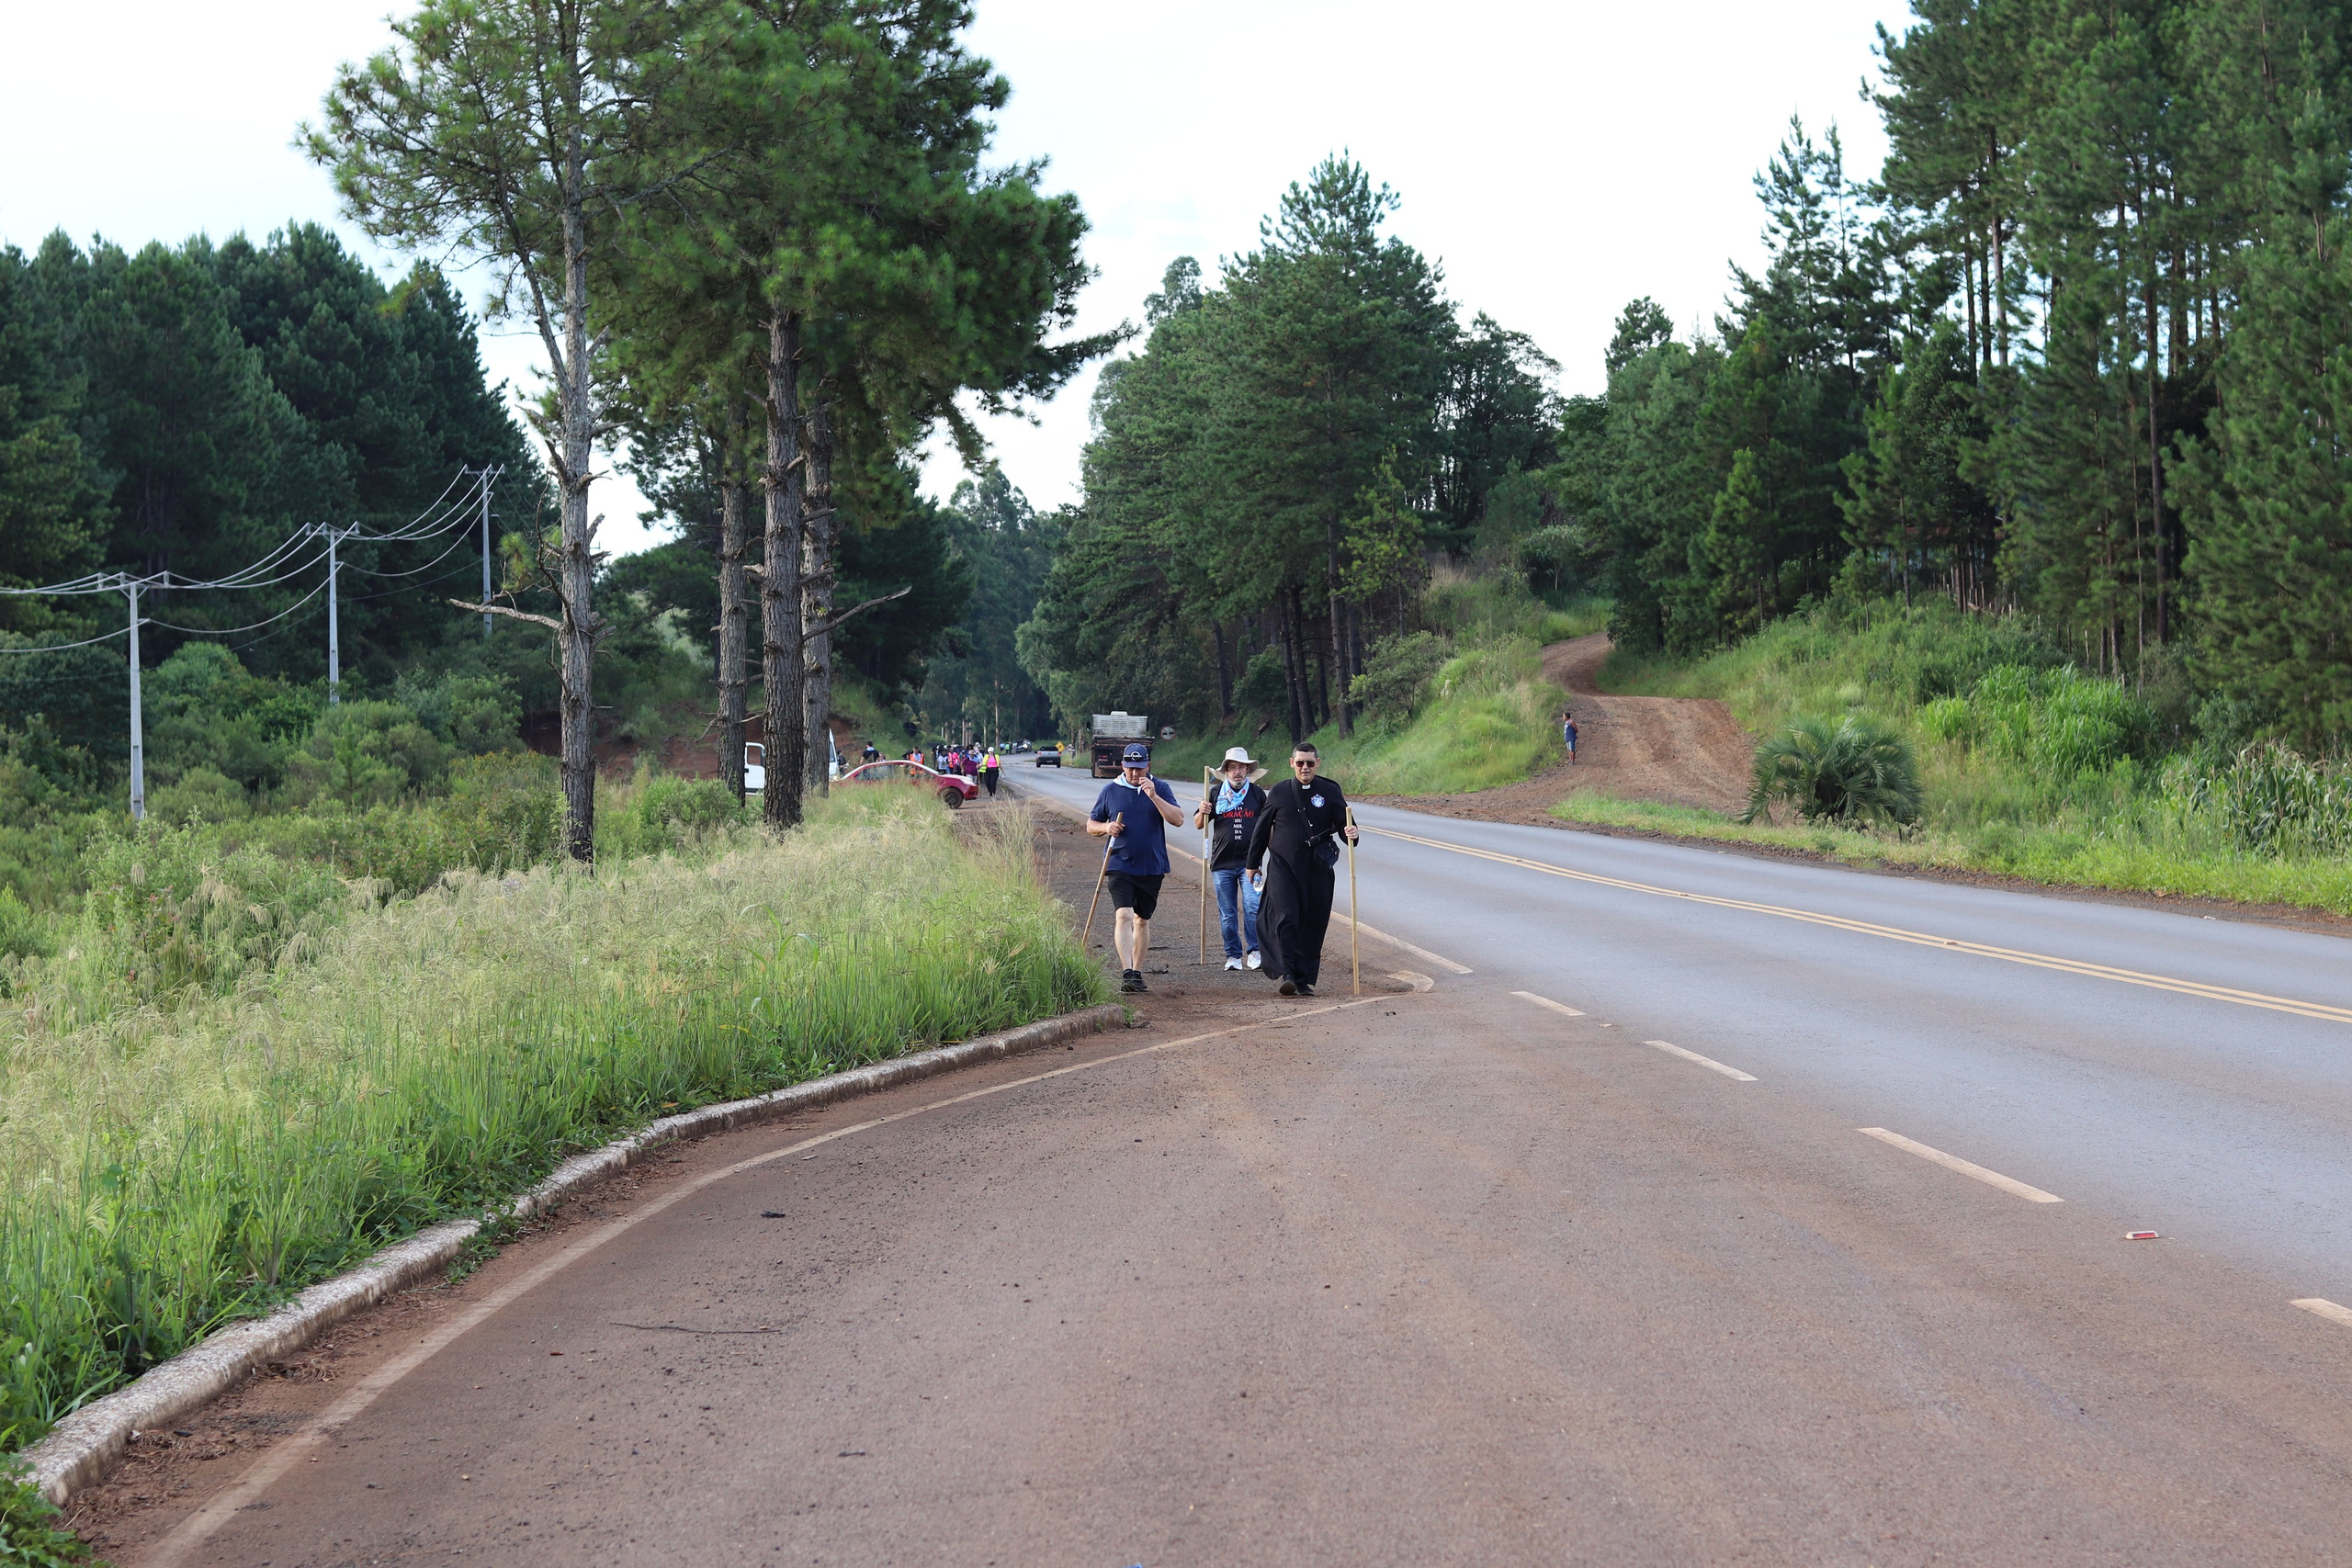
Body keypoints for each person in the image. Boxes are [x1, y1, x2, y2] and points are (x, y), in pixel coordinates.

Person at [1245, 742, 1358, 998]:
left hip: (1318, 868)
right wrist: (1253, 863)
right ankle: (1288, 974)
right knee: (1286, 919)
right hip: (1284, 867)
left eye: (1309, 763)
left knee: (1312, 923)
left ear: (1317, 763)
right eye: (1300, 763)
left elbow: (1345, 825)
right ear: (1291, 763)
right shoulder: (1279, 791)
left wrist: (1351, 833)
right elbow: (1262, 829)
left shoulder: (1330, 790)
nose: (1304, 768)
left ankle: (1303, 979)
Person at [1087, 741, 1182, 994]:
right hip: (1119, 862)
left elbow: (1178, 819)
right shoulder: (1110, 790)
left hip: (1152, 864)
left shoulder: (1160, 788)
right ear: (1123, 766)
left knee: (1142, 920)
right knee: (1124, 915)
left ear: (1148, 766)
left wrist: (1154, 796)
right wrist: (1107, 828)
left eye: (1140, 768)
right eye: (1130, 768)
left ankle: (1137, 973)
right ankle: (1127, 970)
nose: (1135, 774)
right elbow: (1091, 824)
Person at [1194, 747, 1267, 973]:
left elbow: (1267, 826)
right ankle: (1233, 955)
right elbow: (1199, 824)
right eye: (1233, 767)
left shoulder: (1257, 794)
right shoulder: (1215, 794)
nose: (1238, 772)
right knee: (1227, 913)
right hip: (1221, 863)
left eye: (1242, 768)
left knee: (1253, 907)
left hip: (1250, 864)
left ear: (1248, 770)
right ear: (1226, 770)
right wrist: (1202, 811)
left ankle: (1254, 952)